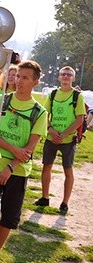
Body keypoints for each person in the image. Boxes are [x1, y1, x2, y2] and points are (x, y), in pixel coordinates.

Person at [0, 60, 47, 263]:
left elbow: (30, 147)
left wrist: (11, 167)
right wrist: (12, 149)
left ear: (35, 82)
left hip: (17, 172)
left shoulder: (39, 112)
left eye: (25, 78)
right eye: (17, 76)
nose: (19, 81)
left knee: (9, 218)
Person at [37, 66, 86, 214]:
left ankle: (65, 203)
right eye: (63, 74)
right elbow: (45, 115)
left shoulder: (77, 96)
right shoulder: (52, 94)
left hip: (68, 140)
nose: (65, 76)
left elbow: (80, 119)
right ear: (59, 77)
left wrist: (63, 134)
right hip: (51, 138)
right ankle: (45, 197)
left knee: (68, 170)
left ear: (73, 78)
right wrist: (51, 131)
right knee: (47, 167)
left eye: (69, 75)